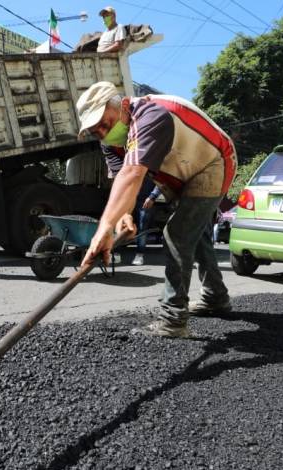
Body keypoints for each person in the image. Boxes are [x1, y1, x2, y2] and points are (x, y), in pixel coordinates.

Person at [77, 81, 237, 338]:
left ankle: (172, 320)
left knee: (177, 234)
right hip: (177, 174)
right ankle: (216, 297)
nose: (101, 131)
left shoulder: (151, 114)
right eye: (94, 129)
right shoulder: (110, 142)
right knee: (198, 237)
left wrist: (104, 228)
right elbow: (123, 180)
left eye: (103, 121)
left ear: (119, 105)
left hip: (212, 162)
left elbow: (133, 172)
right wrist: (124, 215)